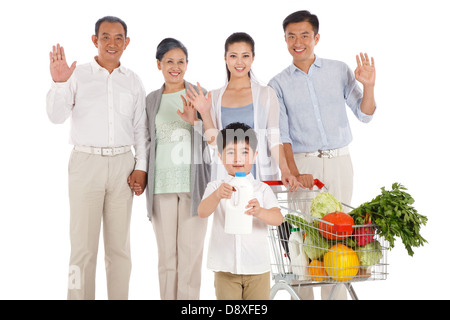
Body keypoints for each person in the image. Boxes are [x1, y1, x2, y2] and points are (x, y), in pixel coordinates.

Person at [268, 10, 376, 300]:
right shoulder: (277, 84)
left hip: (341, 162)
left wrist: (368, 86)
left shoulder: (339, 70)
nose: (298, 42)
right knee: (305, 245)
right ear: (285, 40)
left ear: (316, 37)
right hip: (304, 166)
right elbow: (284, 135)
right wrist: (291, 171)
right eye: (291, 36)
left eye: (304, 35)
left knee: (339, 241)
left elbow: (364, 115)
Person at [46, 16, 149, 300]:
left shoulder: (133, 81)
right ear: (95, 40)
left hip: (122, 167)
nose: (112, 44)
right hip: (85, 164)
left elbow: (141, 128)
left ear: (126, 43)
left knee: (120, 249)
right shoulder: (76, 75)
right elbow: (55, 117)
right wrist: (58, 83)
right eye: (105, 37)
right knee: (82, 249)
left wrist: (141, 167)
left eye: (118, 38)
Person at [132, 38, 210, 300]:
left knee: (190, 259)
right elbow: (143, 139)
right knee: (167, 259)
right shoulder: (151, 99)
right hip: (161, 187)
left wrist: (196, 121)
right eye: (169, 62)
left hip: (193, 188)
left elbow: (213, 141)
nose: (175, 67)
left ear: (187, 65)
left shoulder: (199, 95)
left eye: (181, 62)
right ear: (159, 64)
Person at [186, 32, 303, 190]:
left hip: (260, 174)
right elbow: (215, 144)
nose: (239, 62)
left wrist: (285, 170)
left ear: (253, 58)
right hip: (227, 177)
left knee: (262, 211)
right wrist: (204, 113)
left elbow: (274, 139)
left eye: (245, 56)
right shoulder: (213, 97)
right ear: (225, 58)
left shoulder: (266, 94)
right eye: (233, 56)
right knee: (230, 213)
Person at [198, 122, 282, 300]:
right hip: (225, 268)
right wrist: (217, 196)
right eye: (230, 153)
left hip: (257, 267)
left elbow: (278, 218)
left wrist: (259, 211)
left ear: (255, 155)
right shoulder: (216, 186)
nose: (238, 159)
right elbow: (202, 212)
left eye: (244, 152)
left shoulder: (262, 189)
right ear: (220, 157)